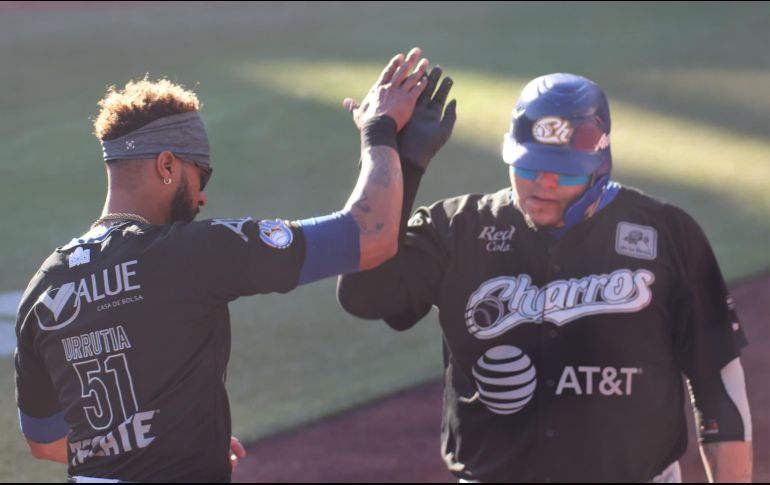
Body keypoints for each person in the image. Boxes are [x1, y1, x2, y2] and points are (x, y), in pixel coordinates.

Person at [15, 48, 432, 482]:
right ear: (167, 165)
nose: (202, 198)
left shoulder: (44, 286)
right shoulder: (192, 252)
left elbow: (45, 440)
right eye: (202, 176)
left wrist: (161, 446)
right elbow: (372, 233)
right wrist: (379, 130)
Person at [337, 72, 753, 482]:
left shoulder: (668, 235)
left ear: (600, 168)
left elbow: (717, 384)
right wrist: (397, 163)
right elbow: (365, 295)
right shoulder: (458, 229)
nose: (544, 186)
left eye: (566, 173)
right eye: (530, 168)